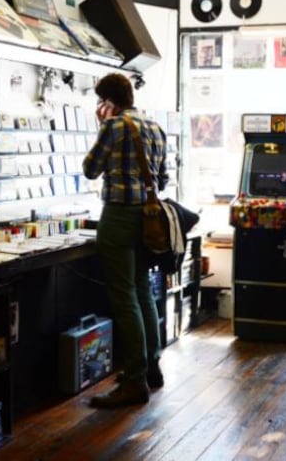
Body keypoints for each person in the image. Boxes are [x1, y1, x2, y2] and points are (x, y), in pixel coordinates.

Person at [82, 73, 168, 408]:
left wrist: (101, 125)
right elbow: (163, 177)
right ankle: (151, 366)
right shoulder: (155, 127)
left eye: (101, 101)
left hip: (118, 216)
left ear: (108, 101)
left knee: (124, 296)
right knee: (143, 289)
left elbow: (90, 168)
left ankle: (134, 381)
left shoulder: (113, 126)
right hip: (148, 220)